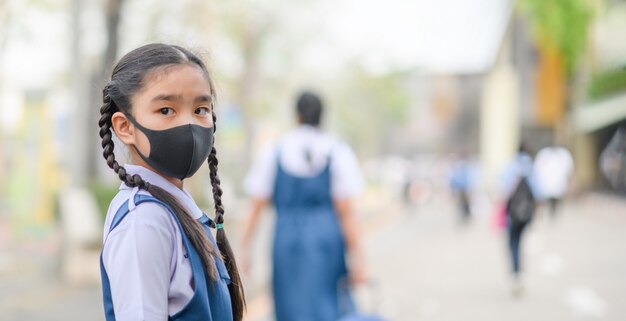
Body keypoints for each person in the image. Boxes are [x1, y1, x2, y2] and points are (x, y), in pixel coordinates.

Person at [98, 43, 245, 321]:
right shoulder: (144, 220)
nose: (189, 124)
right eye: (166, 110)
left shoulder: (175, 210)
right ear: (124, 126)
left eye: (201, 109)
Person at [241, 91, 366, 321]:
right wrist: (359, 261)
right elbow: (347, 213)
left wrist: (245, 249)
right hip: (326, 239)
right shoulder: (336, 151)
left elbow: (256, 205)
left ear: (296, 115)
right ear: (322, 116)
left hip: (286, 239)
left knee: (289, 302)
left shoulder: (275, 151)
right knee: (328, 301)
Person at [500, 143, 538, 295]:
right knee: (521, 241)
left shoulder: (511, 166)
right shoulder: (531, 167)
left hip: (512, 213)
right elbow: (537, 191)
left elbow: (504, 189)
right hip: (526, 212)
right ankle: (520, 273)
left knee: (512, 243)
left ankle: (515, 273)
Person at [534, 143, 574, 218]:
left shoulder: (563, 154)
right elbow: (538, 169)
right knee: (548, 198)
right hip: (547, 183)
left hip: (558, 183)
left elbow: (568, 168)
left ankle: (554, 213)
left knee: (556, 199)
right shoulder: (544, 154)